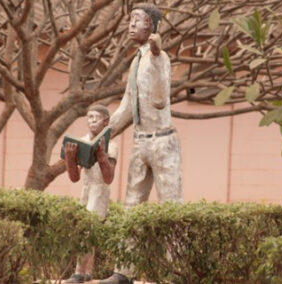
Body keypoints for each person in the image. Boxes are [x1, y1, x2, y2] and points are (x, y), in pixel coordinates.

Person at [100, 3, 183, 284]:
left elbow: (160, 98)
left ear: (152, 27)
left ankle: (176, 272)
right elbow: (126, 107)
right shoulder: (136, 61)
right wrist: (105, 134)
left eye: (138, 20)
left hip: (163, 143)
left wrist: (158, 54)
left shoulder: (161, 59)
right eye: (131, 20)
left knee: (171, 207)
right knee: (131, 207)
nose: (131, 25)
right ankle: (124, 271)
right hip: (140, 141)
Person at [63, 104, 118, 283]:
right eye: (89, 117)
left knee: (88, 230)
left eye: (96, 117)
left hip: (100, 190)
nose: (91, 120)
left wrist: (101, 155)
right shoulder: (82, 140)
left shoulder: (113, 146)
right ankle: (87, 272)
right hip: (86, 190)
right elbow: (74, 178)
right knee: (85, 231)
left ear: (106, 121)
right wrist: (70, 159)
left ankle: (79, 272)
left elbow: (109, 178)